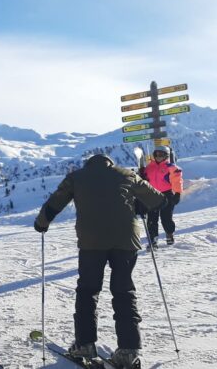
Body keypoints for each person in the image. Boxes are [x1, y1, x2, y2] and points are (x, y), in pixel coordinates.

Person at [34, 154, 165, 368]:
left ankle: (85, 345)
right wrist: (139, 205)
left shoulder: (76, 177)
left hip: (91, 242)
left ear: (89, 165)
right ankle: (128, 350)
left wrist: (41, 223)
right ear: (110, 163)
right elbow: (158, 199)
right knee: (124, 291)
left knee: (88, 290)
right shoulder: (128, 174)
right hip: (126, 241)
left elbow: (54, 203)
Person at [142, 145, 183, 247]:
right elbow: (144, 180)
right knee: (152, 218)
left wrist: (177, 193)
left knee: (166, 217)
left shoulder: (171, 167)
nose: (159, 156)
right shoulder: (149, 167)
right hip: (152, 194)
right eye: (156, 154)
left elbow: (177, 181)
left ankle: (169, 234)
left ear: (167, 155)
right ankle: (153, 239)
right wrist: (142, 175)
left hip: (167, 194)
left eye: (161, 154)